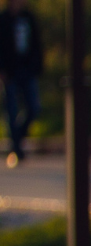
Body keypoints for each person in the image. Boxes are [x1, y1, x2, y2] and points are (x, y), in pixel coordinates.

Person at [0, 0, 43, 168]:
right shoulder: (3, 19)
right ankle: (16, 149)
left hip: (27, 71)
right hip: (9, 72)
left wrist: (37, 66)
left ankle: (17, 140)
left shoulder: (28, 18)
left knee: (33, 108)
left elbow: (37, 44)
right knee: (11, 110)